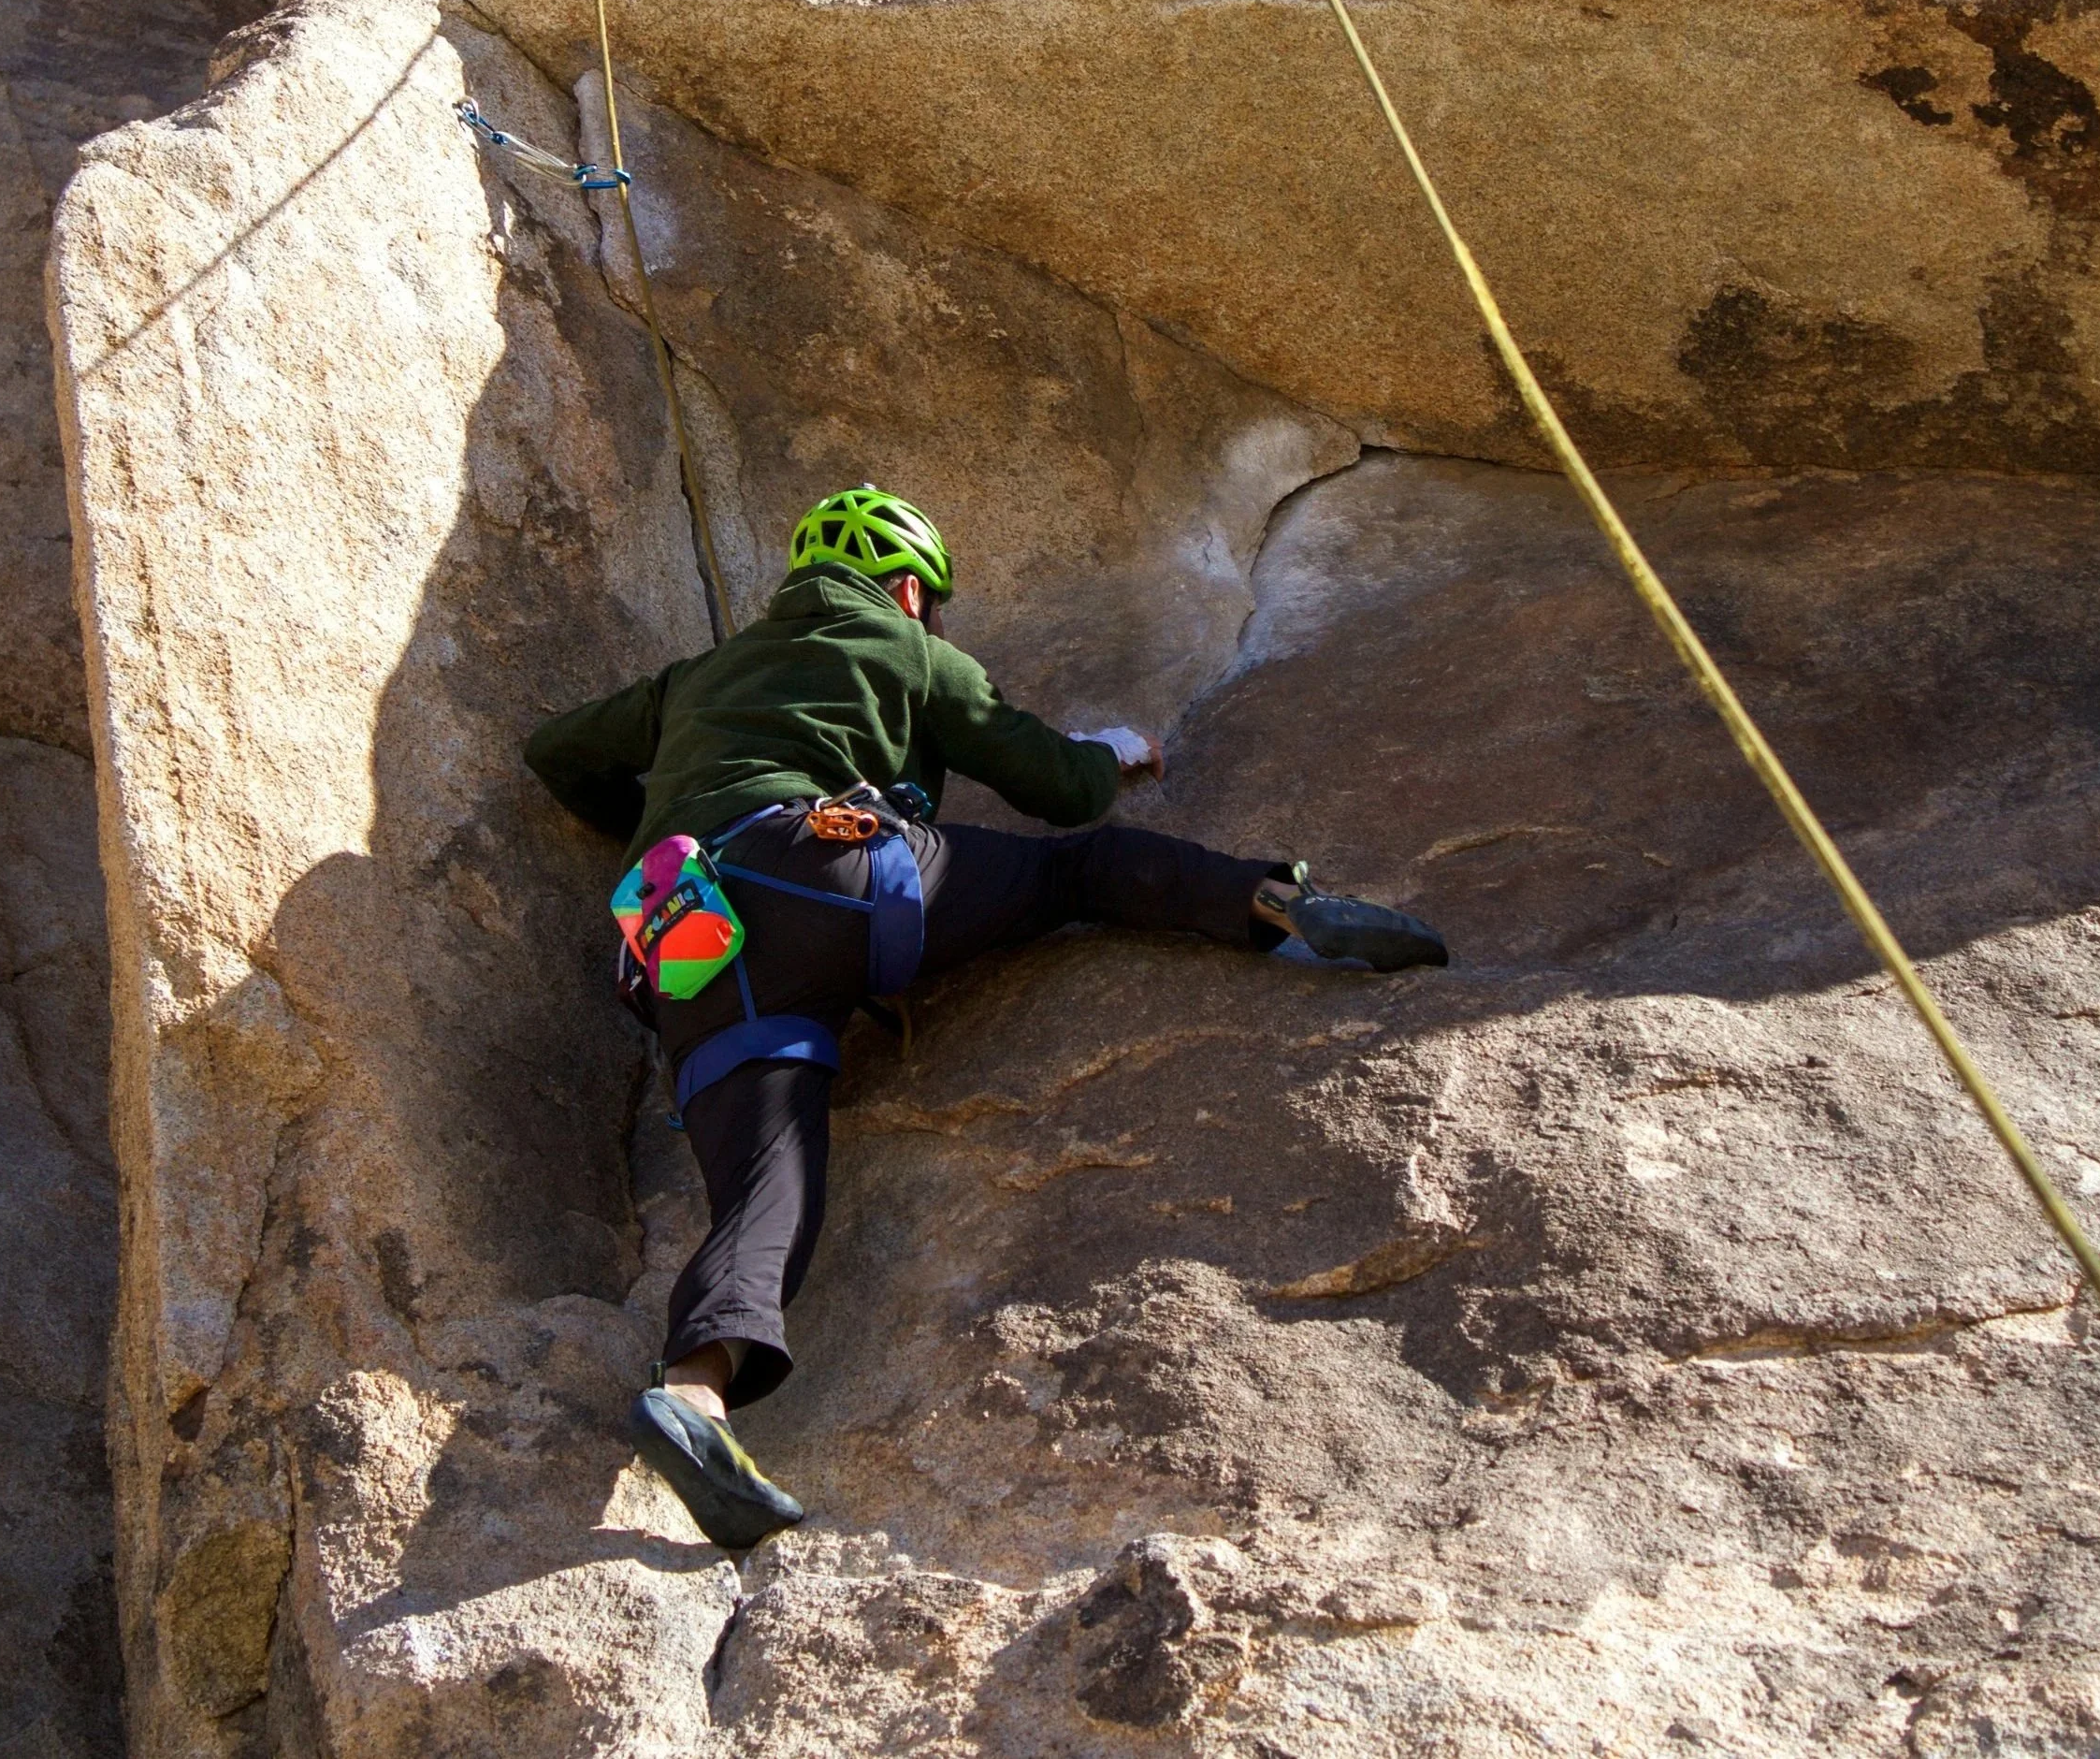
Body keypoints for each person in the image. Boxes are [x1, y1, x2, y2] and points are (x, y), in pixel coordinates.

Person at [523, 486, 1448, 1548]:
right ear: (910, 589)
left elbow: (555, 750)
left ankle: (695, 1391)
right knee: (1081, 870)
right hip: (826, 867)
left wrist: (648, 818)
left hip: (683, 943)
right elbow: (1057, 789)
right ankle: (1281, 903)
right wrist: (1108, 751)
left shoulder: (696, 678)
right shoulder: (910, 648)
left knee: (766, 1186)